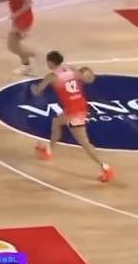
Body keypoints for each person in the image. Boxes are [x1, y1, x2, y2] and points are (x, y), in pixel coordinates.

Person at [30, 51, 115, 183]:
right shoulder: (72, 69)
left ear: (51, 62)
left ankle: (105, 167)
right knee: (57, 122)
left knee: (85, 143)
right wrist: (89, 72)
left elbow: (38, 91)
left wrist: (34, 88)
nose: (46, 64)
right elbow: (89, 80)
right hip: (80, 106)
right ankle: (49, 150)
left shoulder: (51, 76)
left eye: (47, 61)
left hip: (74, 112)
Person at [0, 0, 37, 75]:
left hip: (23, 18)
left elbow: (28, 2)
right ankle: (28, 66)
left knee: (12, 45)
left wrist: (16, 14)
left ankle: (38, 56)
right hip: (19, 18)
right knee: (15, 45)